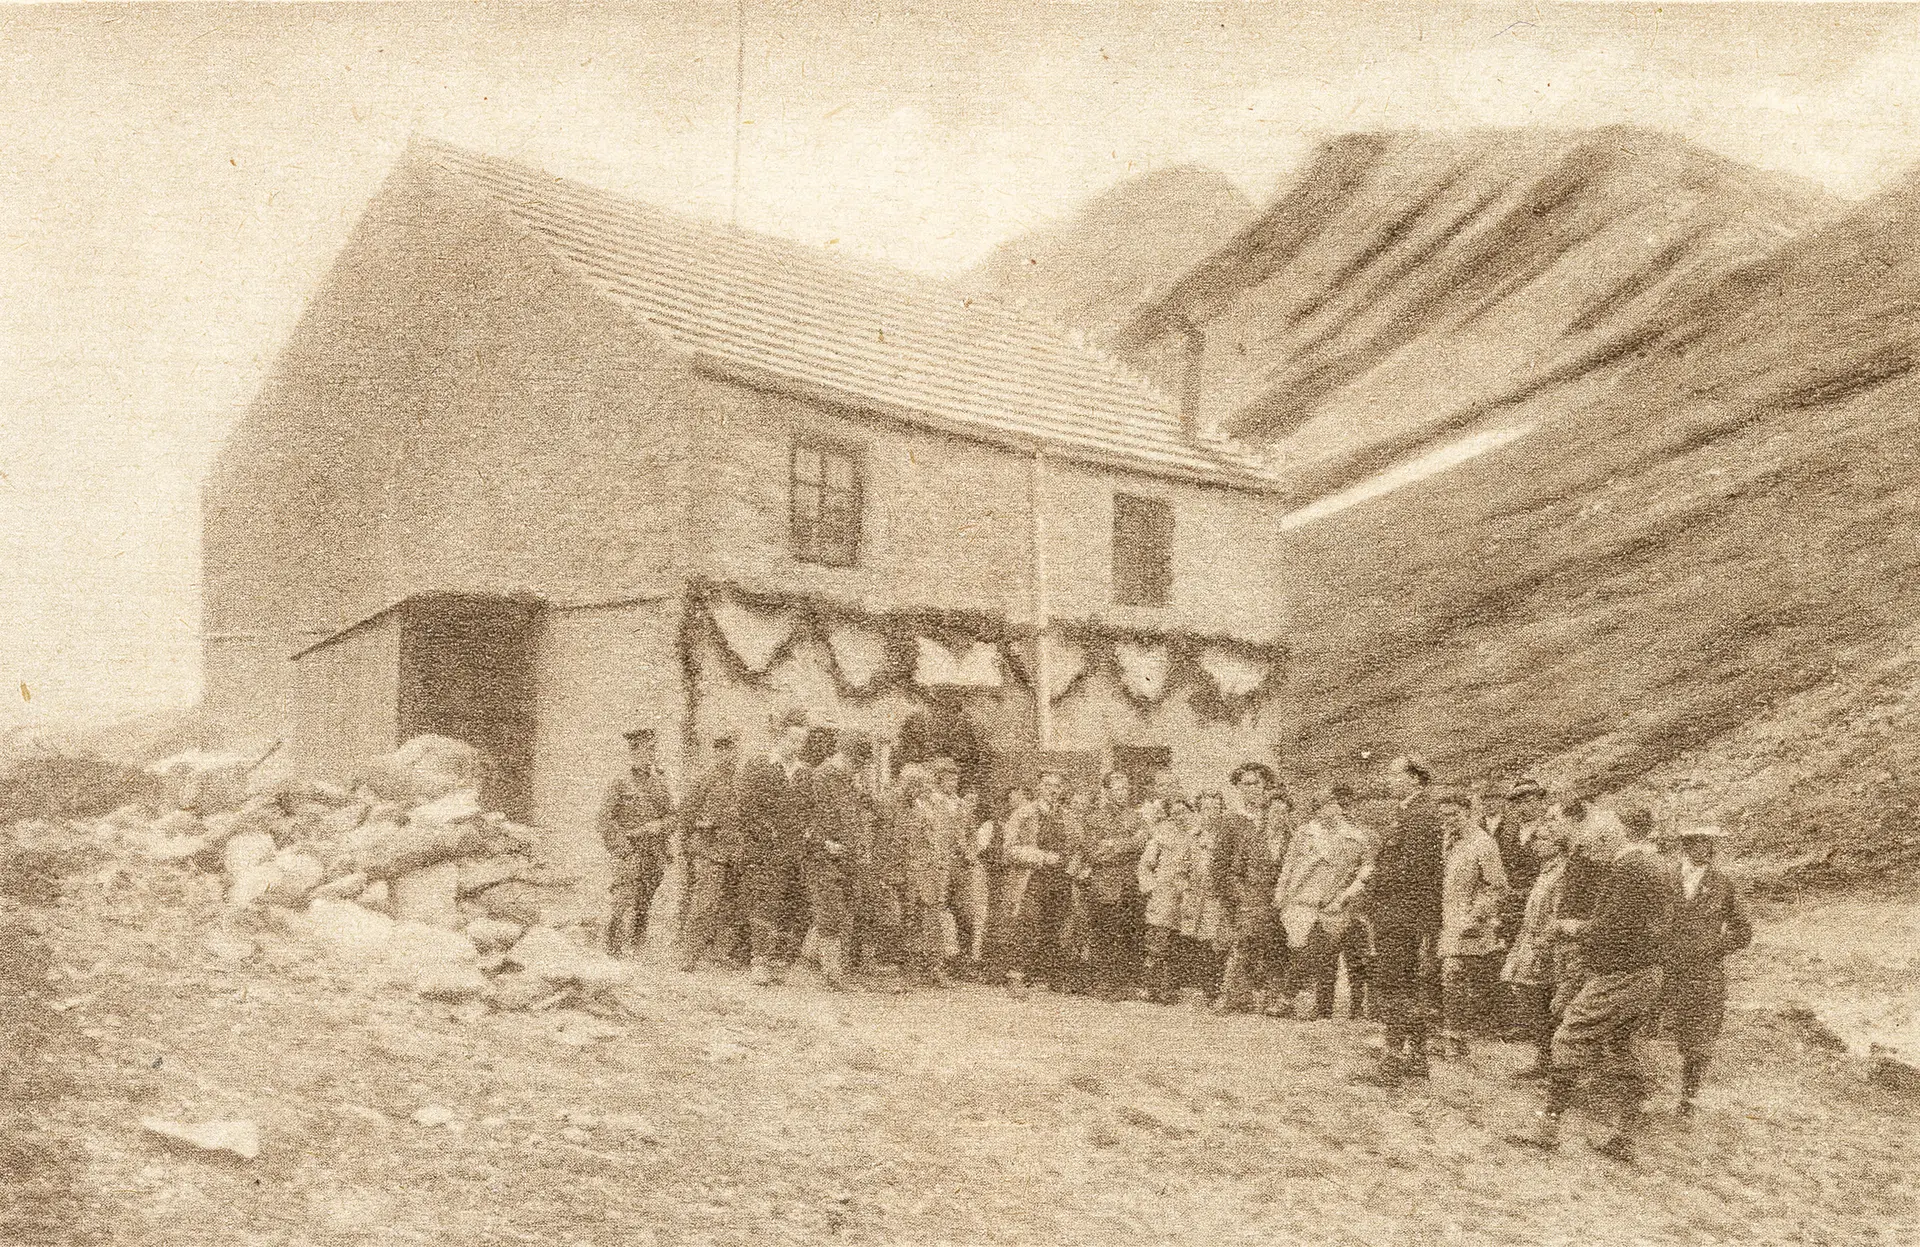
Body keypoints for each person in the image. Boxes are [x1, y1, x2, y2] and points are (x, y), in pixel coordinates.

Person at [1511, 805, 1675, 1163]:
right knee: (1619, 1047)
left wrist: (1569, 929)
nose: (1588, 856)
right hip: (1644, 974)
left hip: (1621, 974)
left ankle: (1547, 1130)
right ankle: (1625, 1134)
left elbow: (1612, 928)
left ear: (1605, 839)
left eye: (1588, 847)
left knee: (1569, 1037)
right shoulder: (1653, 865)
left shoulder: (1628, 868)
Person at [1355, 754, 1446, 1087]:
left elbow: (1414, 871)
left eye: (1394, 775)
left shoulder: (1421, 816)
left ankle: (1395, 1058)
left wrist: (1371, 876)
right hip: (1401, 913)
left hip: (1406, 915)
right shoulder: (1410, 812)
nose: (1388, 780)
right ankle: (1416, 1057)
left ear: (1414, 778)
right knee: (1405, 987)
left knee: (1396, 985)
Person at [1660, 825, 1753, 1116]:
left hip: (1703, 974)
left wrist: (1713, 947)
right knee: (1640, 1024)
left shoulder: (1723, 884)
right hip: (1663, 967)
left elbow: (1743, 931)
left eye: (1708, 844)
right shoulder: (1665, 877)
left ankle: (1688, 1098)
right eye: (1697, 842)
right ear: (1685, 845)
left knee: (1698, 1037)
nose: (1704, 848)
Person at [1274, 783, 1376, 1021]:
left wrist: (1347, 895)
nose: (1325, 811)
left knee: (1322, 952)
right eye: (1319, 807)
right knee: (1305, 951)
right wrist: (1281, 893)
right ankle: (1308, 1004)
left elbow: (1366, 871)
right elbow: (1289, 865)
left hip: (1336, 904)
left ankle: (1310, 1004)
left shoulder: (1356, 837)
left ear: (1338, 807)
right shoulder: (1305, 833)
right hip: (1303, 900)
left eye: (1330, 805)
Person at [735, 709, 815, 986]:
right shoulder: (759, 765)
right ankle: (759, 962)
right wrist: (767, 832)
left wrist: (807, 830)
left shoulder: (805, 773)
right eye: (792, 740)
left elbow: (810, 810)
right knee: (764, 905)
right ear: (780, 736)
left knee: (793, 906)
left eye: (802, 741)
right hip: (764, 851)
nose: (797, 746)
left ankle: (780, 961)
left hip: (795, 852)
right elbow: (744, 809)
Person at [1437, 790, 1511, 1056]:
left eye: (1454, 814)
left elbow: (1497, 887)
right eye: (1444, 815)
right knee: (1450, 979)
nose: (1449, 820)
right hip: (1447, 921)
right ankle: (1453, 1035)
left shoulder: (1483, 843)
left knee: (1456, 976)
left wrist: (1475, 915)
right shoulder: (1446, 840)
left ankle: (1458, 1037)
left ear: (1468, 813)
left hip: (1471, 924)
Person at [1500, 813, 1569, 1079]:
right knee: (1530, 997)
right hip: (1531, 940)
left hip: (1547, 945)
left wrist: (1544, 942)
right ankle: (1544, 1058)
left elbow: (1557, 912)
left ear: (1558, 844)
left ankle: (1552, 1061)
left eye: (1543, 839)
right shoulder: (1546, 871)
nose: (1536, 844)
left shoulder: (1562, 872)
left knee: (1544, 1000)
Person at [598, 727, 677, 956]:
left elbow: (673, 816)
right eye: (648, 749)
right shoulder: (620, 782)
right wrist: (624, 850)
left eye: (654, 749)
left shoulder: (659, 783)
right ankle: (612, 947)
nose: (653, 754)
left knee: (645, 899)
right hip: (630, 850)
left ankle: (637, 944)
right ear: (635, 750)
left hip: (654, 851)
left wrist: (658, 826)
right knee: (623, 899)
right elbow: (604, 820)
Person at [1214, 761, 1285, 1014]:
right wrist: (1234, 899)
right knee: (1243, 943)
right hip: (1244, 897)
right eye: (1244, 785)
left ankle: (1273, 998)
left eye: (1255, 784)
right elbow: (1220, 867)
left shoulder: (1278, 817)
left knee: (1276, 945)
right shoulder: (1232, 821)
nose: (1250, 790)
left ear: (1266, 786)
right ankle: (1234, 996)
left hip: (1277, 896)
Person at [1002, 770, 1081, 996]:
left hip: (1060, 878)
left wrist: (1072, 865)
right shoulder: (1023, 814)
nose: (1053, 790)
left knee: (1055, 926)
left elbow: (1077, 846)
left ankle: (1051, 975)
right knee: (1026, 925)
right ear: (1038, 788)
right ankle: (1016, 977)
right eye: (1048, 785)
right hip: (1031, 879)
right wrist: (1041, 856)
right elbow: (1009, 850)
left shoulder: (1068, 816)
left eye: (1057, 786)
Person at [671, 732, 744, 971]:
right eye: (723, 750)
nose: (729, 756)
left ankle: (717, 953)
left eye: (732, 750)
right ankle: (687, 956)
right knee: (705, 903)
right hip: (708, 852)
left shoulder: (739, 781)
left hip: (732, 853)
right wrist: (700, 828)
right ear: (717, 752)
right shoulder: (704, 780)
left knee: (728, 906)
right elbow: (684, 816)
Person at [806, 728, 871, 990]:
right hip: (823, 856)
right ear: (844, 756)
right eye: (855, 763)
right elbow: (804, 820)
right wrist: (824, 843)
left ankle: (810, 954)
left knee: (846, 908)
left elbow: (859, 816)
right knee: (831, 912)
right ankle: (833, 975)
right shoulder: (820, 778)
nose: (857, 769)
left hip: (847, 857)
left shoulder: (848, 782)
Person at [1082, 770, 1150, 1000]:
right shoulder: (1094, 818)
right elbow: (1095, 854)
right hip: (1105, 884)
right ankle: (1103, 983)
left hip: (1131, 884)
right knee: (1104, 934)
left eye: (1125, 788)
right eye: (1117, 788)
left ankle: (1124, 984)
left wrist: (1115, 844)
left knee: (1130, 934)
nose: (1123, 793)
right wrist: (1130, 843)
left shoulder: (1137, 817)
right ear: (1106, 791)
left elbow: (1144, 849)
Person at [900, 763, 959, 987]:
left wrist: (942, 860)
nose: (923, 787)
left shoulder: (937, 806)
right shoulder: (907, 807)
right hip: (914, 870)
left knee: (934, 919)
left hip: (935, 870)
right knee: (912, 918)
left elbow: (945, 837)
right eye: (917, 784)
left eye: (924, 783)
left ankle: (935, 967)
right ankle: (911, 969)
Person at [1136, 796, 1200, 1004]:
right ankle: (1148, 986)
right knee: (1157, 941)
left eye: (1183, 812)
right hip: (1164, 894)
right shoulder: (1162, 836)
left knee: (1178, 943)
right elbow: (1145, 865)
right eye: (1175, 813)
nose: (1179, 816)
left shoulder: (1197, 836)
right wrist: (1152, 887)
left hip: (1187, 895)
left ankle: (1169, 989)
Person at [1187, 790, 1235, 999]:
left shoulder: (1230, 836)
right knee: (1204, 941)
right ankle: (1209, 988)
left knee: (1221, 941)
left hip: (1222, 897)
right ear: (1199, 812)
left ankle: (1219, 987)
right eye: (1206, 809)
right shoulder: (1193, 837)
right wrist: (1186, 889)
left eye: (1216, 808)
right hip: (1199, 897)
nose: (1211, 813)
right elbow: (1182, 867)